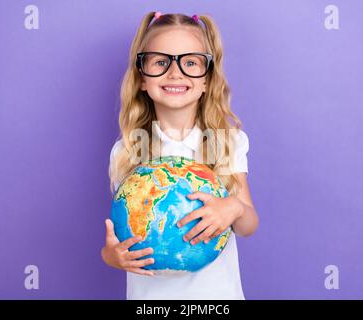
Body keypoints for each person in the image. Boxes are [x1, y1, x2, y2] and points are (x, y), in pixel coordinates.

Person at [101, 11, 259, 300]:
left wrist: (234, 208)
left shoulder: (226, 142)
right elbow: (122, 228)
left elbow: (249, 224)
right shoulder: (127, 151)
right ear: (141, 79)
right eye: (161, 62)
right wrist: (110, 256)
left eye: (190, 63)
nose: (175, 73)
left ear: (207, 81)